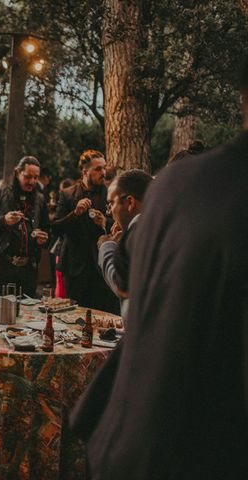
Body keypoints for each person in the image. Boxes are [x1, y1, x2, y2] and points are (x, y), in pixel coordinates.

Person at [71, 58, 248, 479]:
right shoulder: (177, 192)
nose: (110, 203)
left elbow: (127, 285)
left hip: (137, 439)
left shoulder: (176, 187)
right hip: (194, 449)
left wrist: (106, 247)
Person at [52, 150, 120, 314]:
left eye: (104, 168)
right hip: (75, 268)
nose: (103, 173)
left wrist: (105, 222)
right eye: (97, 169)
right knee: (75, 316)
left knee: (103, 315)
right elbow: (55, 228)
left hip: (102, 267)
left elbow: (120, 223)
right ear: (85, 172)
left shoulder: (111, 193)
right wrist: (74, 214)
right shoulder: (67, 194)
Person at [0, 156, 49, 297]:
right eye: (28, 177)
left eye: (36, 178)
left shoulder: (40, 199)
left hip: (28, 270)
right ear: (17, 173)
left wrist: (43, 239)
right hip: (1, 266)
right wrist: (3, 221)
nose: (32, 182)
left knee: (28, 313)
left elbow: (46, 230)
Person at [97, 169, 152, 320]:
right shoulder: (158, 226)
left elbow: (121, 285)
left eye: (111, 203)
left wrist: (106, 246)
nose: (109, 212)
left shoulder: (140, 232)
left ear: (130, 202)